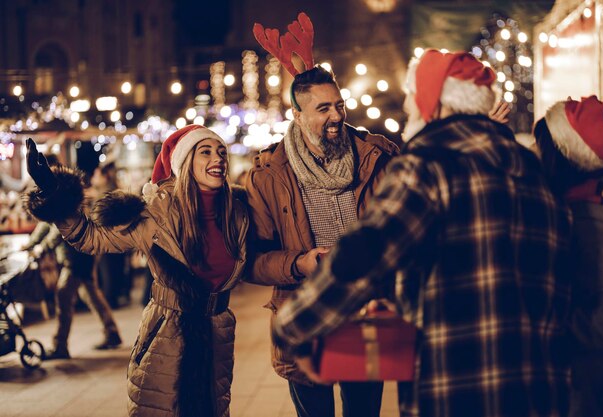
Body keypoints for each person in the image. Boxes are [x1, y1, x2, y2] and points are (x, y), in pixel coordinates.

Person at [272, 49, 573, 417]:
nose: (409, 106)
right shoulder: (530, 167)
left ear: (434, 103)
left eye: (414, 96)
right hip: (540, 387)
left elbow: (366, 254)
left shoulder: (427, 165)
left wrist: (295, 324)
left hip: (457, 386)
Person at [24, 124, 249, 417]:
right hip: (167, 331)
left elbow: (256, 265)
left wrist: (299, 265)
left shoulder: (238, 213)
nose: (217, 158)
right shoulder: (156, 211)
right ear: (185, 162)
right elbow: (89, 237)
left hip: (218, 331)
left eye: (221, 152)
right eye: (204, 152)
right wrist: (53, 191)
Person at [247, 16, 399, 416]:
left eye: (339, 105)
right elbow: (254, 260)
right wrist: (299, 263)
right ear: (297, 115)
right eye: (323, 108)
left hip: (366, 314)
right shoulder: (269, 174)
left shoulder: (376, 157)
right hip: (306, 319)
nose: (336, 116)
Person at [534, 96, 603, 417]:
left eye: (539, 147)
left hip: (592, 393)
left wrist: (553, 325)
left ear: (560, 157)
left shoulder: (591, 224)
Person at [22, 154, 121, 359]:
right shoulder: (59, 190)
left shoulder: (64, 192)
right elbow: (46, 224)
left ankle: (60, 345)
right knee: (90, 293)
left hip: (76, 257)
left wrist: (41, 247)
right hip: (79, 256)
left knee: (64, 295)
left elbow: (60, 227)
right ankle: (111, 333)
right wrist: (31, 244)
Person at [87, 162, 131, 308]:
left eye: (96, 174)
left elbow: (98, 219)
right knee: (114, 269)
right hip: (118, 238)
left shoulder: (104, 195)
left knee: (108, 270)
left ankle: (110, 300)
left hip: (107, 238)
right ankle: (114, 297)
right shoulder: (113, 191)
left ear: (105, 177)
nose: (93, 177)